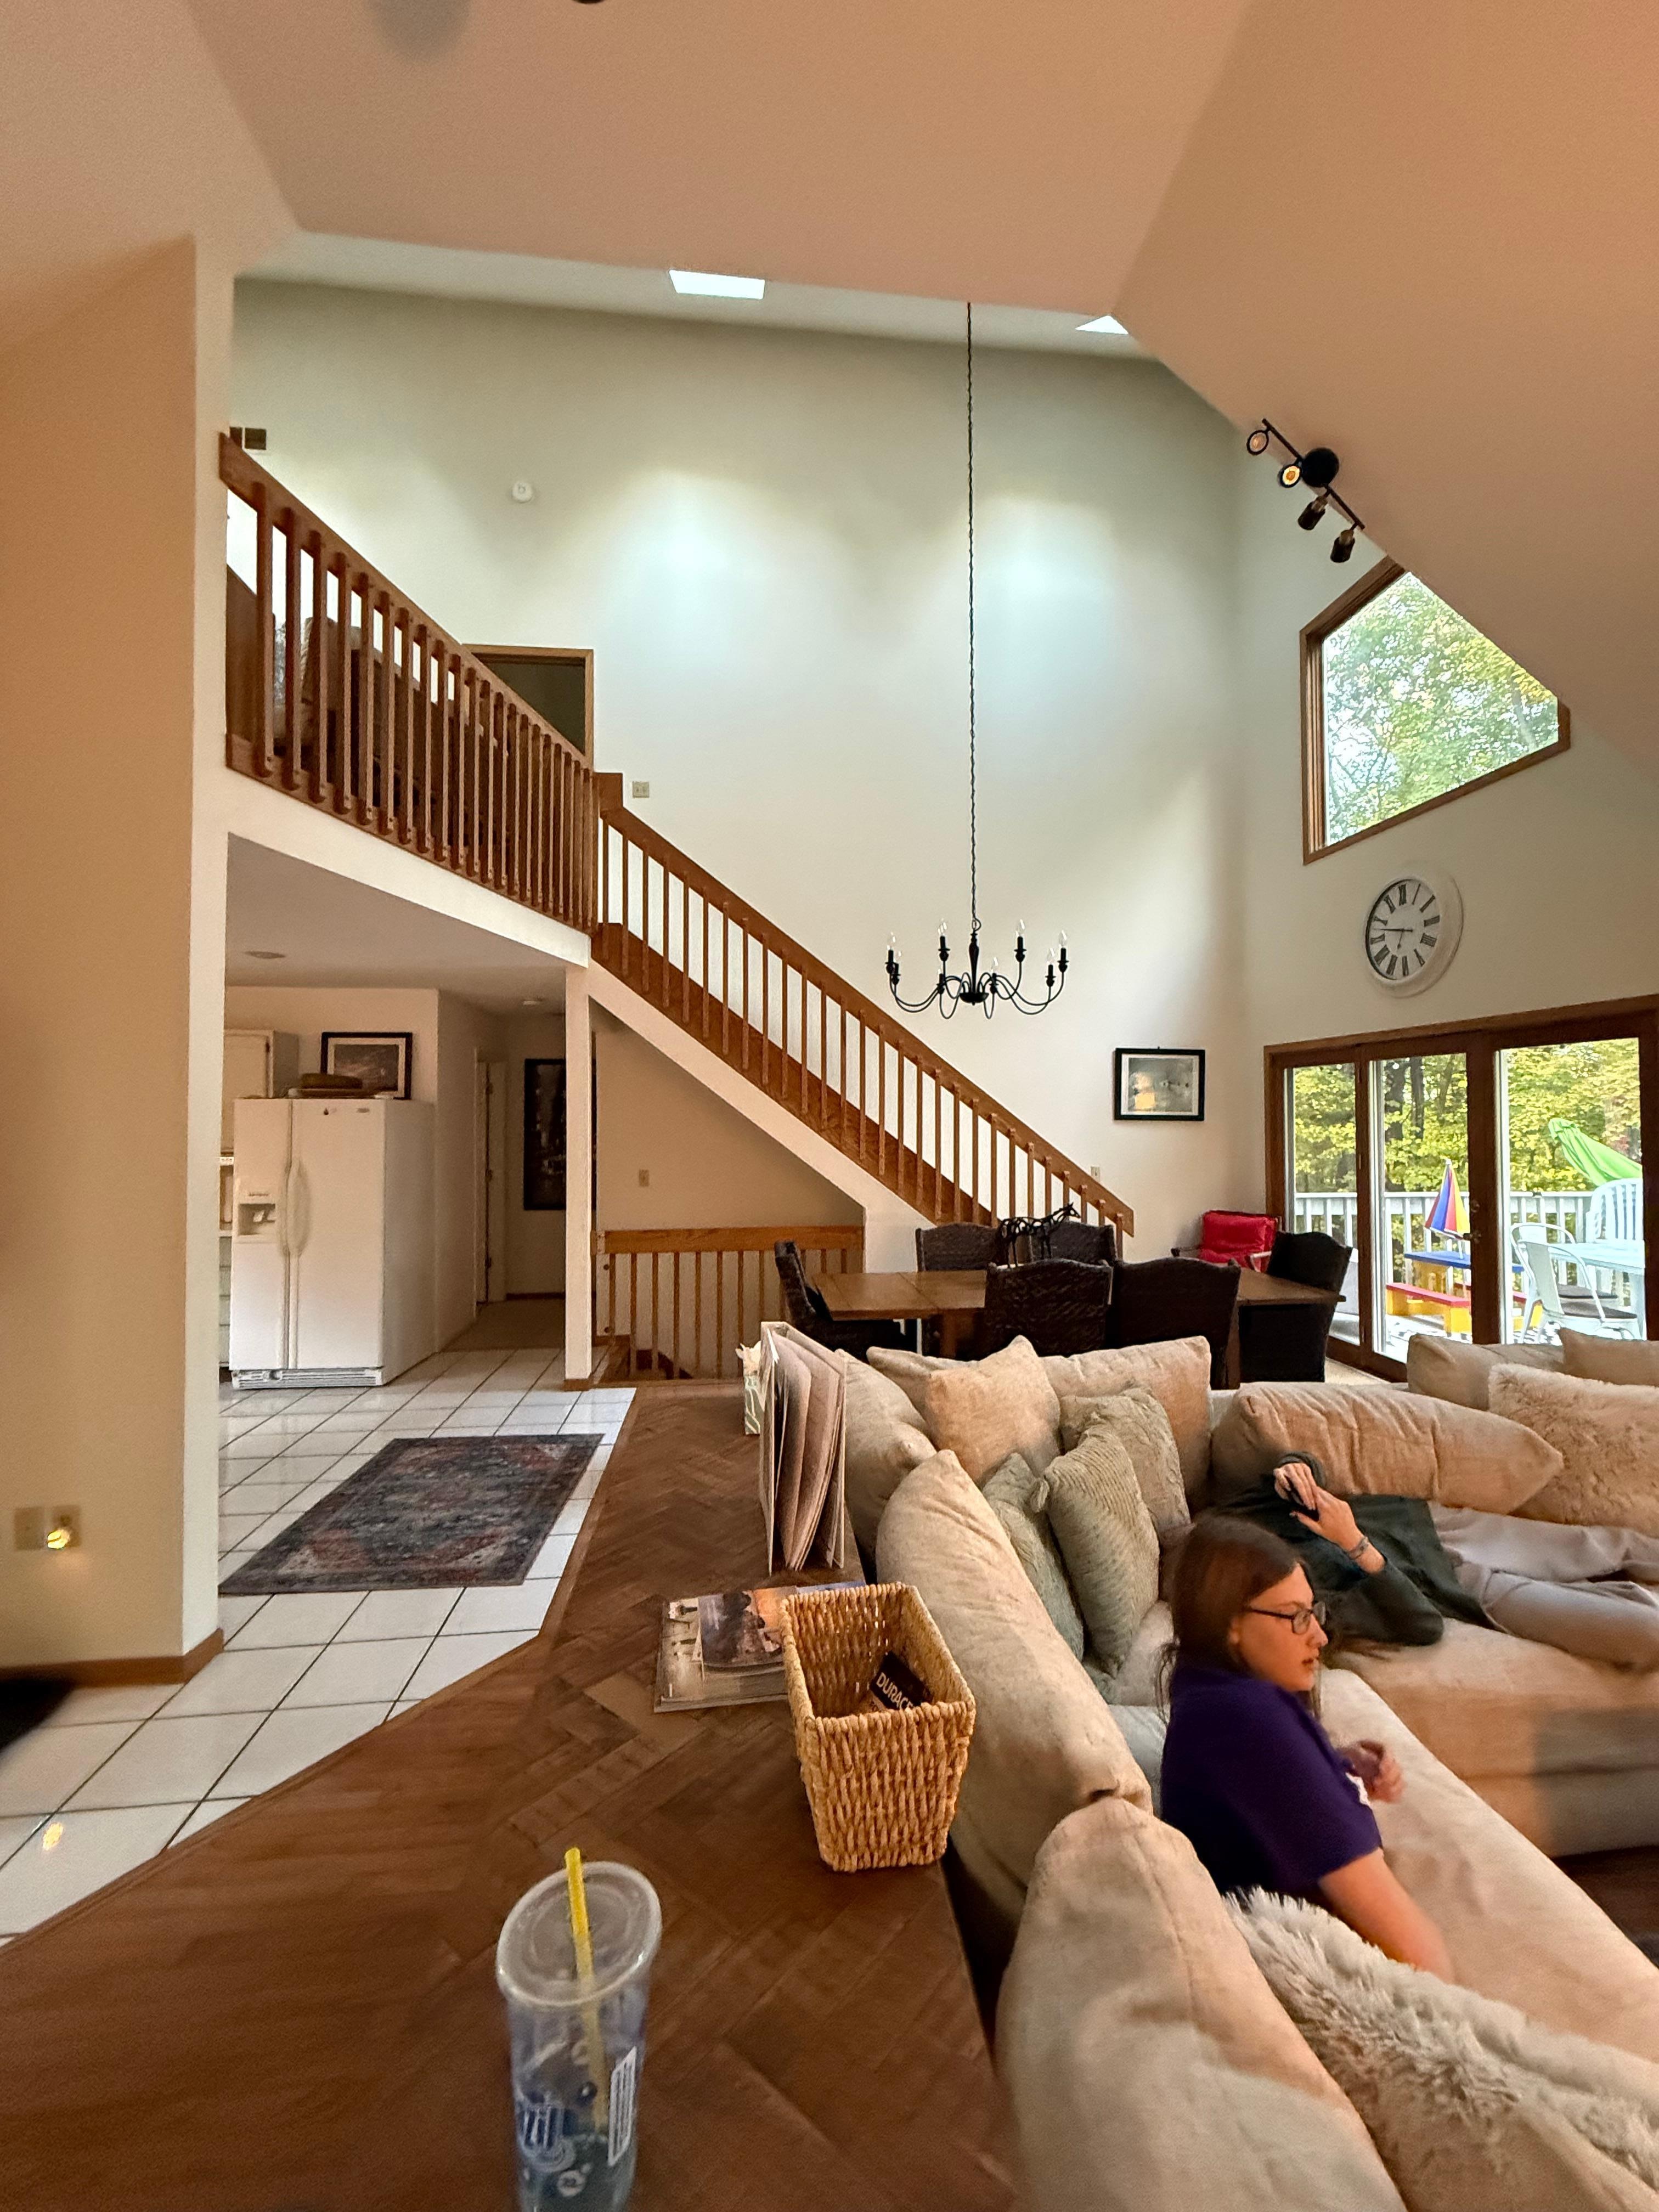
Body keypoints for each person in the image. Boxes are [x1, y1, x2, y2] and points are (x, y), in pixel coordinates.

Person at [1160, 1516, 1452, 1977]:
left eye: (1314, 1612)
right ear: (1230, 1622)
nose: (1319, 1634)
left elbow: (1256, 1795)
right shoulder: (1249, 1719)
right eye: (1295, 1616)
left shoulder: (1204, 1693)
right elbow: (1419, 1958)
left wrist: (1331, 1765)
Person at [1220, 1452, 1487, 1647]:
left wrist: (1295, 1469)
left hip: (1415, 1522)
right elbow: (1424, 1625)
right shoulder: (1301, 1606)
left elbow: (1300, 1471)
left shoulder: (1230, 1524)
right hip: (1449, 1582)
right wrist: (1354, 1543)